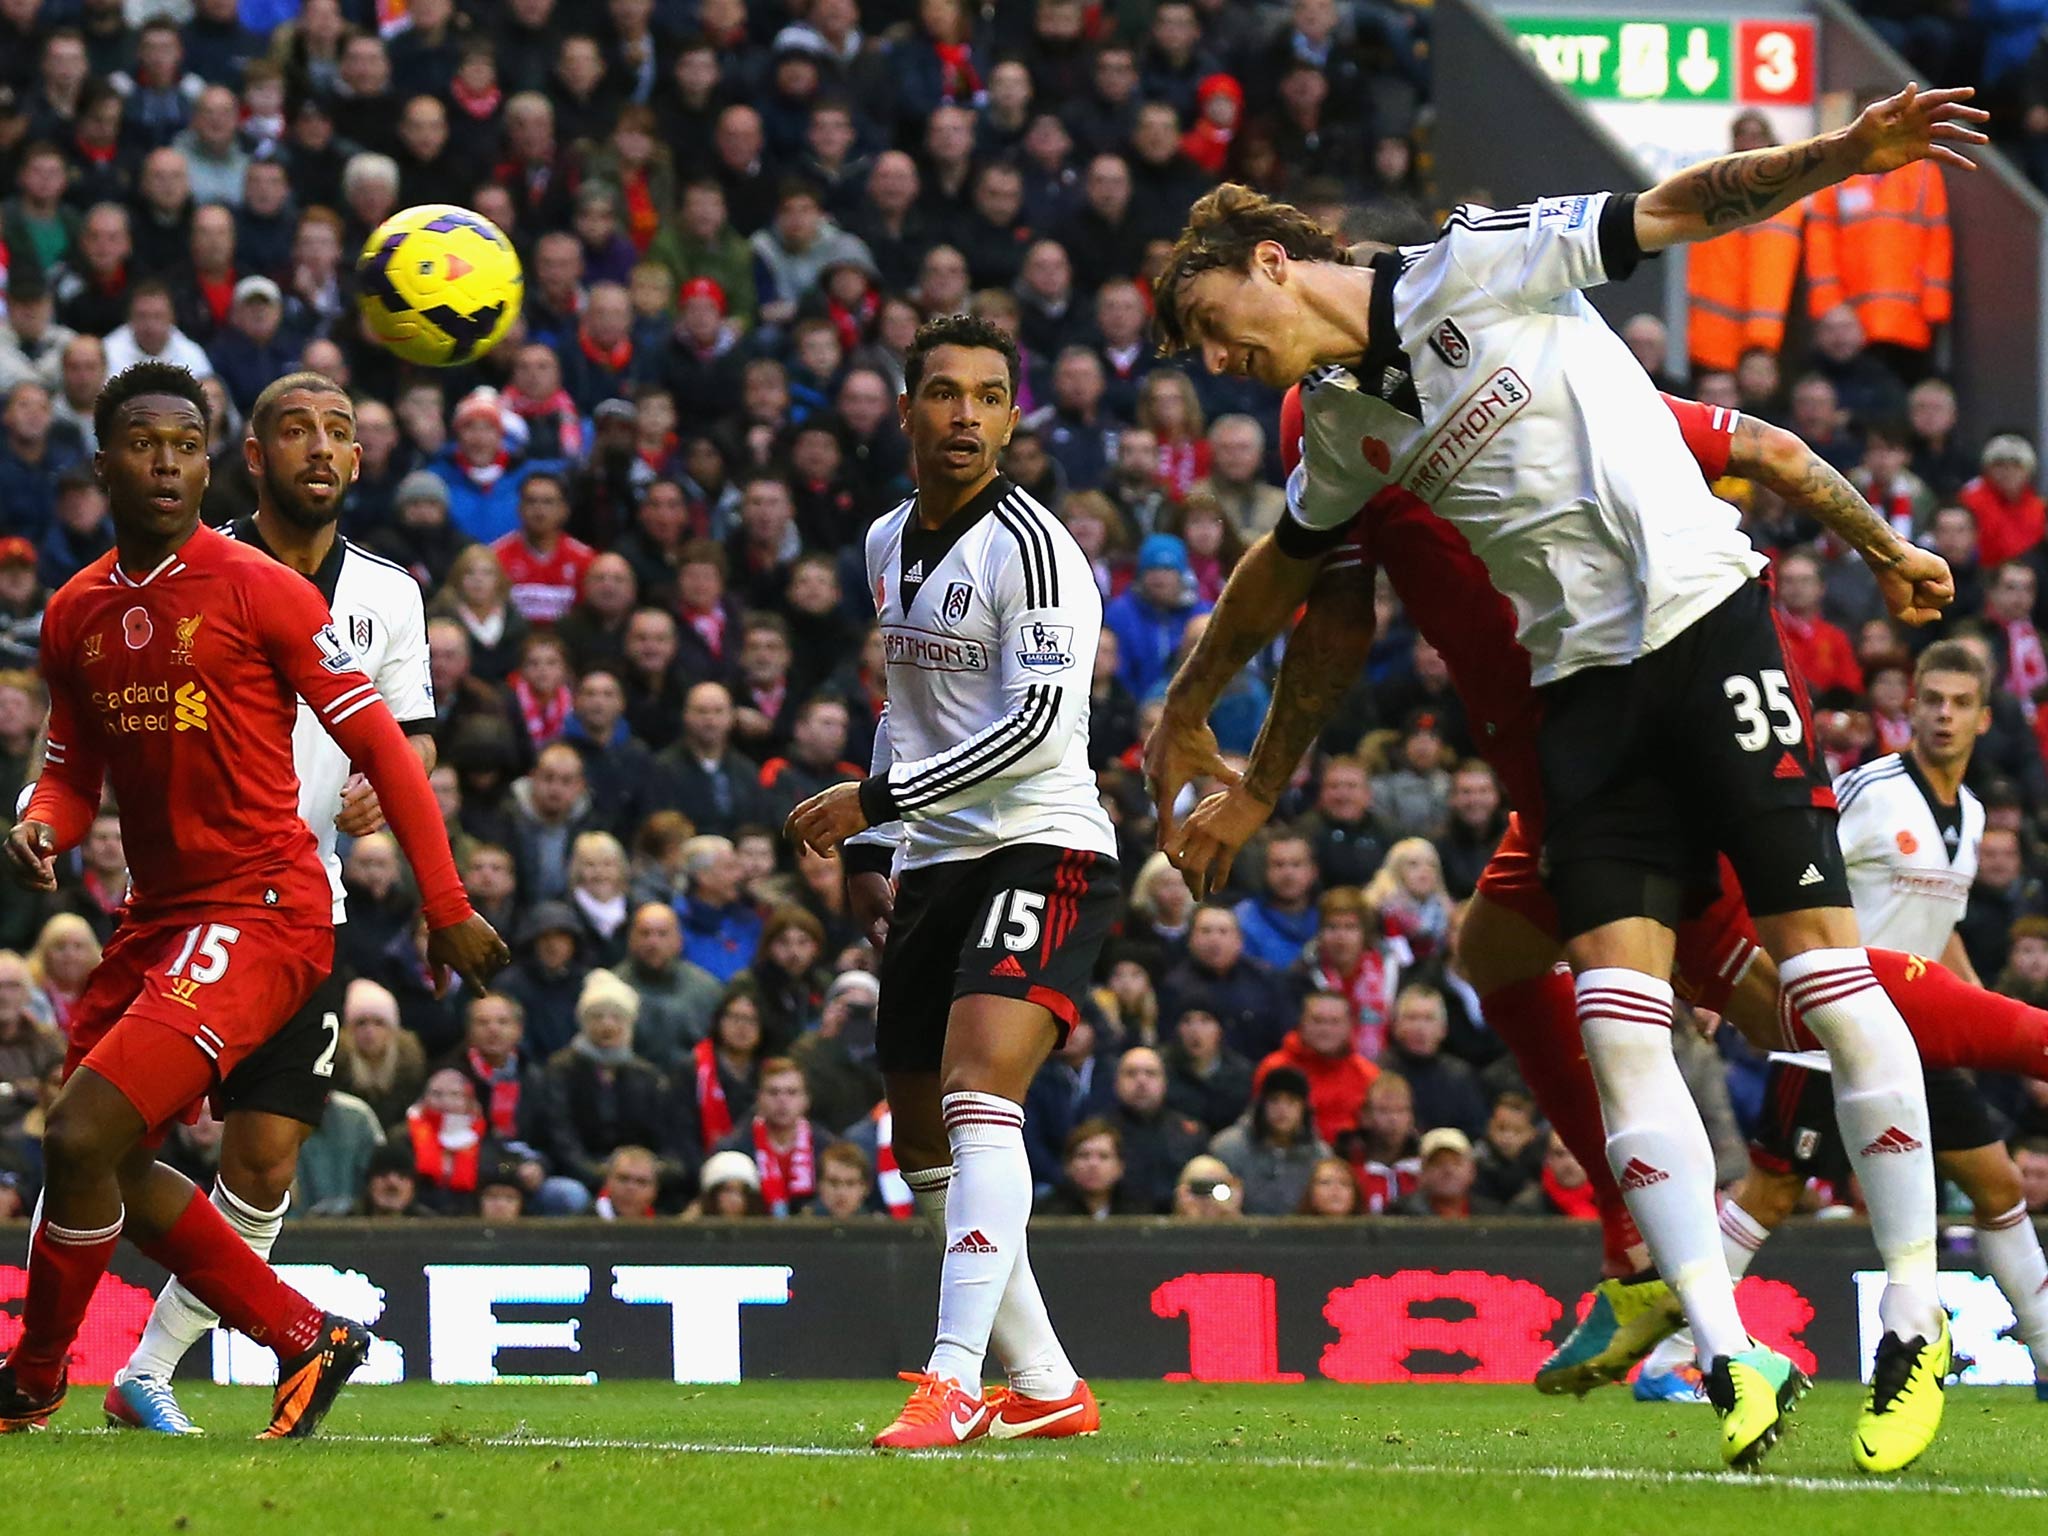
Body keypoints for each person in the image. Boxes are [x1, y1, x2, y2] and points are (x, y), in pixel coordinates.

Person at [1148, 86, 1989, 1470]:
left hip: (1709, 627)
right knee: (1615, 1022)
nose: (1218, 361)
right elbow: (1288, 581)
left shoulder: (1481, 260)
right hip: (1580, 700)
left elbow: (1683, 205)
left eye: (1213, 328)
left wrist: (1845, 158)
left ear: (1272, 267)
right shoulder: (1347, 428)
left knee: (1825, 981)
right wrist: (1198, 722)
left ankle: (1913, 1318)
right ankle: (1731, 1358)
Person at [2, 362, 505, 1437]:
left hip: (265, 904)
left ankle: (35, 1383)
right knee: (90, 1148)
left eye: (187, 446)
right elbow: (69, 766)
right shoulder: (74, 611)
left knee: (93, 1135)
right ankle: (297, 1335)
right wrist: (42, 817)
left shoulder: (260, 587)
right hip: (157, 915)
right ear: (103, 466)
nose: (169, 464)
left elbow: (385, 748)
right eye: (145, 445)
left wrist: (445, 897)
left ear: (209, 462)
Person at [788, 315, 1119, 1447]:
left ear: (1014, 417)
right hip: (934, 856)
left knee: (983, 1093)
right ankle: (1045, 1385)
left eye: (986, 396)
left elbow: (1034, 729)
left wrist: (871, 804)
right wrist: (880, 846)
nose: (964, 415)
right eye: (942, 393)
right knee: (922, 1134)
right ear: (907, 408)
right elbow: (902, 703)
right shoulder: (889, 540)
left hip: (1041, 840)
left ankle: (952, 1379)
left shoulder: (1031, 549)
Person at [106, 370, 439, 1431]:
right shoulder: (192, 568)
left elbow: (409, 730)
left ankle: (145, 1371)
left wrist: (388, 789)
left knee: (263, 1160)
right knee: (101, 1137)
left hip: (303, 910)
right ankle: (50, 1356)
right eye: (293, 430)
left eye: (337, 432)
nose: (317, 448)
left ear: (357, 459)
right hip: (180, 903)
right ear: (249, 455)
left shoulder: (390, 593)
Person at [1638, 642, 2048, 1404]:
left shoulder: (1976, 814)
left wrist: (1977, 1011)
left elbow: (1941, 927)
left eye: (1960, 704)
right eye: (1932, 700)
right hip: (1838, 1025)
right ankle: (1670, 1355)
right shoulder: (1869, 791)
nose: (1944, 716)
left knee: (1997, 1184)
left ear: (1986, 718)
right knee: (1773, 1191)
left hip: (1920, 1030)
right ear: (1911, 706)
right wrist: (1725, 979)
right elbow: (1783, 877)